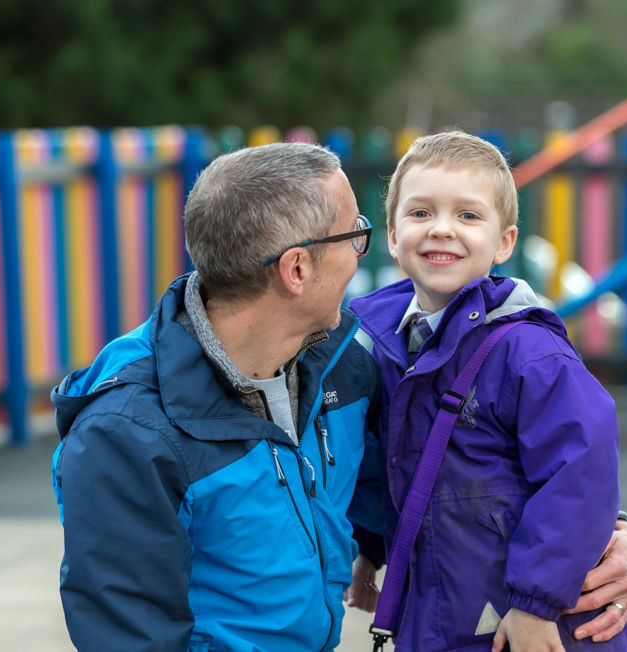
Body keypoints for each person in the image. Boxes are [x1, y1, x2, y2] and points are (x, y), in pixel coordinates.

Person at [50, 142, 387, 650]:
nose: (361, 251)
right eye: (354, 234)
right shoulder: (128, 434)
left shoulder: (342, 365)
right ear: (297, 269)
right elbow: (130, 636)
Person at [348, 131, 627, 651]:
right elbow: (386, 464)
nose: (442, 229)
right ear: (392, 236)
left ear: (504, 242)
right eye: (420, 214)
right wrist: (370, 546)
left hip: (537, 628)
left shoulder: (528, 352)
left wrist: (535, 603)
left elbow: (581, 472)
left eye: (468, 216)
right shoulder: (382, 346)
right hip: (437, 621)